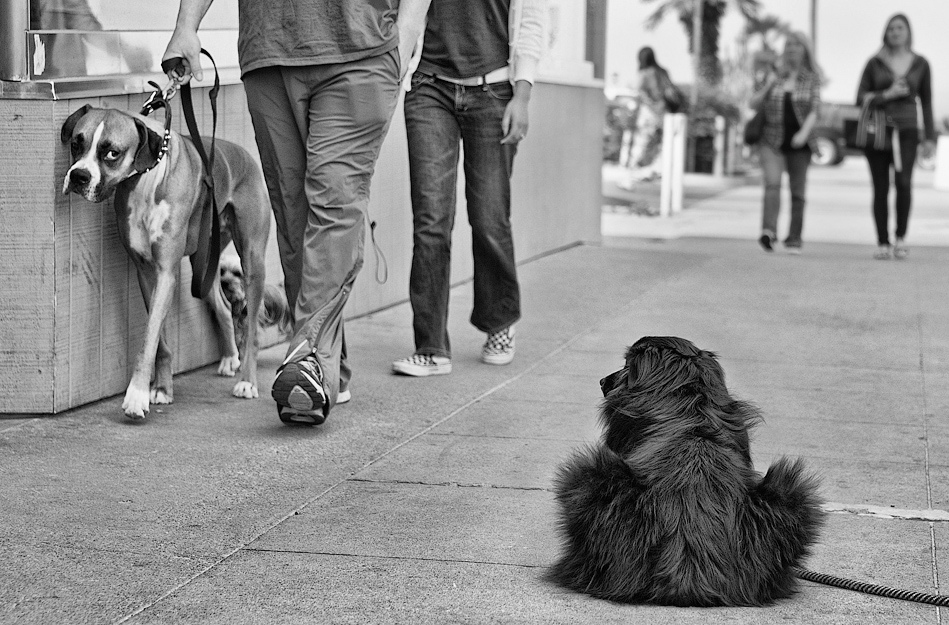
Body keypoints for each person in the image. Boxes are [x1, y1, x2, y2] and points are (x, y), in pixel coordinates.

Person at [162, 0, 430, 425]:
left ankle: (305, 359)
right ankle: (328, 370)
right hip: (268, 52)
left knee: (335, 206)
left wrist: (412, 24)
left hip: (360, 48)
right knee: (293, 220)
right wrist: (186, 25)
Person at [390, 0, 546, 377]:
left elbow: (533, 21)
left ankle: (499, 322)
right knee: (431, 221)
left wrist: (522, 95)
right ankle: (430, 347)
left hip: (493, 92)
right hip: (429, 87)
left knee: (489, 216)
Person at [857, 13, 936, 261]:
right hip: (879, 132)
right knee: (880, 187)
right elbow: (860, 98)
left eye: (900, 28)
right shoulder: (874, 63)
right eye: (891, 28)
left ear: (908, 32)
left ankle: (900, 238)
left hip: (908, 132)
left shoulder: (921, 63)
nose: (895, 32)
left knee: (903, 183)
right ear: (885, 32)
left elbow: (927, 103)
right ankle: (882, 241)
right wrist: (887, 94)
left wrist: (930, 137)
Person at [748, 31, 821, 255]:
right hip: (771, 140)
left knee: (797, 191)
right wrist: (769, 84)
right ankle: (768, 231)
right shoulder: (773, 75)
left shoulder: (811, 78)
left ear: (804, 50)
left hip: (800, 143)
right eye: (788, 44)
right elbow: (753, 103)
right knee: (772, 184)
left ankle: (794, 238)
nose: (792, 49)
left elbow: (815, 109)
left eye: (797, 45)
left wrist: (804, 133)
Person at [619, 47, 673, 187]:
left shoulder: (644, 74)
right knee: (660, 145)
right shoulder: (663, 72)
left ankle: (628, 179)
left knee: (640, 145)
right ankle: (655, 172)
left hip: (648, 115)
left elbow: (639, 93)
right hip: (663, 113)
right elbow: (669, 91)